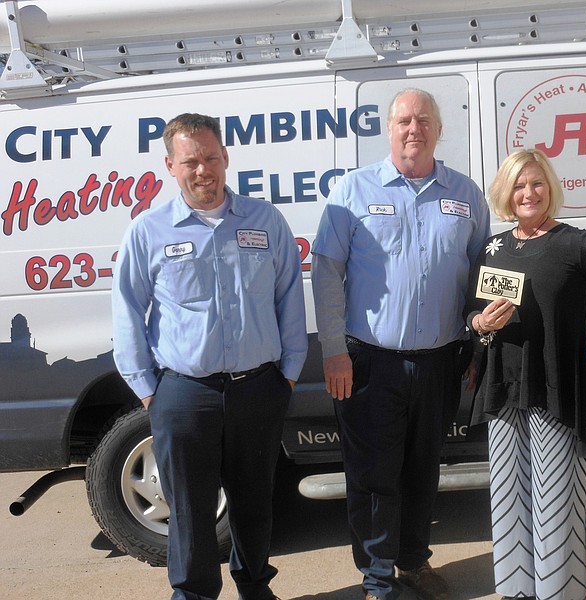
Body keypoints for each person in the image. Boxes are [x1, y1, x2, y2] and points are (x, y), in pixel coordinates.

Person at [112, 113, 307, 600]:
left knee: (255, 502)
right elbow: (127, 310)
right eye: (191, 161)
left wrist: (287, 374)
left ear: (226, 158)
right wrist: (149, 390)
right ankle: (194, 595)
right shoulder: (148, 231)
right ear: (170, 166)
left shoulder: (265, 221)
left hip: (259, 387)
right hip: (184, 392)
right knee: (192, 510)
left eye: (211, 158)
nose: (204, 170)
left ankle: (255, 588)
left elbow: (289, 296)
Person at [310, 88, 490, 600]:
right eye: (404, 120)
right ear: (388, 129)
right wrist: (333, 351)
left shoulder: (466, 195)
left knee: (422, 472)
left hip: (440, 363)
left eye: (423, 120)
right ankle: (376, 578)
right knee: (372, 479)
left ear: (438, 129)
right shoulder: (352, 191)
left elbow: (481, 273)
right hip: (368, 364)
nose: (414, 129)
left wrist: (476, 344)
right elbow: (327, 275)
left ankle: (412, 563)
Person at [466, 149, 586, 600]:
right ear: (506, 193)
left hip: (556, 385)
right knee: (508, 494)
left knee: (555, 497)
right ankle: (516, 590)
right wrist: (481, 324)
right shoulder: (495, 246)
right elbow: (471, 312)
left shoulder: (575, 243)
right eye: (519, 185)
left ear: (551, 188)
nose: (528, 193)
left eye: (537, 183)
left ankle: (557, 591)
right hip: (504, 387)